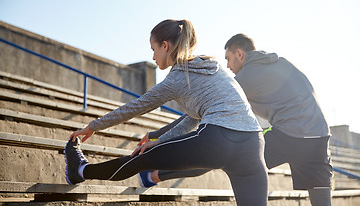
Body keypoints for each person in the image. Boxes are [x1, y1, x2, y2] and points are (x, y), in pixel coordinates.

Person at [64, 20, 268, 206]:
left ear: (165, 46)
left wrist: (93, 126)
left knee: (141, 157)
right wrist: (162, 140)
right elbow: (192, 118)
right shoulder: (212, 66)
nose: (153, 57)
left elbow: (136, 107)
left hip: (219, 138)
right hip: (253, 144)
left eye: (153, 49)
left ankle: (80, 170)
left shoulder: (177, 78)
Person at [138, 34, 333, 206]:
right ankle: (156, 175)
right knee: (322, 201)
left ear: (240, 54)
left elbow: (198, 114)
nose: (228, 67)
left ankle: (153, 175)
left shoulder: (247, 76)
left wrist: (158, 135)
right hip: (319, 137)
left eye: (229, 59)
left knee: (220, 154)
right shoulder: (279, 63)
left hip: (288, 135)